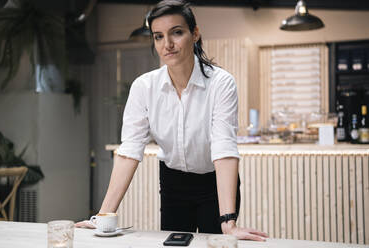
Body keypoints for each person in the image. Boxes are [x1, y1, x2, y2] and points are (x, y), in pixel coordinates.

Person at [76, 0, 268, 241]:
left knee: (216, 243)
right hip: (173, 183)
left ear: (195, 34)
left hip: (213, 184)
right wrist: (103, 216)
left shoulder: (221, 83)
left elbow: (224, 149)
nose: (167, 44)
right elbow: (129, 151)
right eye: (158, 36)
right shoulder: (144, 87)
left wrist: (228, 222)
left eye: (176, 32)